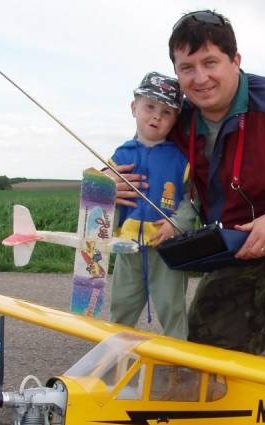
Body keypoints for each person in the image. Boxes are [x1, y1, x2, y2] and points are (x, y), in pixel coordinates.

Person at [115, 10, 265, 365]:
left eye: (210, 62)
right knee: (202, 356)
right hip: (238, 250)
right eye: (187, 67)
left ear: (235, 61)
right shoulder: (178, 121)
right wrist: (107, 181)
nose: (200, 78)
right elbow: (144, 143)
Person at [108, 72, 196, 339]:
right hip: (128, 248)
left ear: (175, 119)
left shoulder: (182, 159)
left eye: (167, 112)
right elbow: (102, 204)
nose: (157, 116)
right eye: (150, 107)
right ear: (134, 107)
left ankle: (178, 365)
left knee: (172, 308)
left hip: (168, 247)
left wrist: (177, 223)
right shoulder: (119, 157)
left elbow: (193, 200)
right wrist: (105, 190)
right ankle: (113, 358)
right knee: (121, 306)